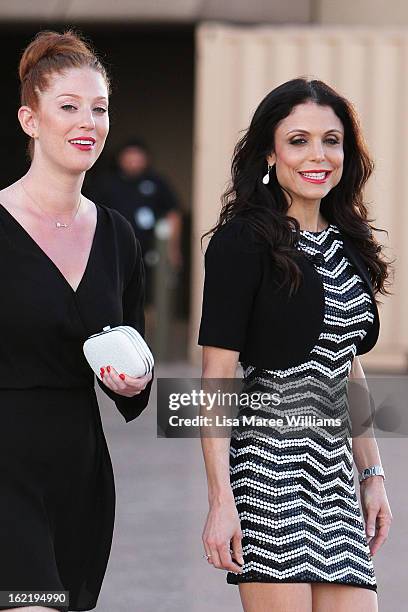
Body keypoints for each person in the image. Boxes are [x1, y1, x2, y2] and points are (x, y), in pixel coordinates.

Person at [198, 78, 393, 612]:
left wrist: (372, 475)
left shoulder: (349, 240)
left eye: (332, 140)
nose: (318, 155)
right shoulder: (243, 241)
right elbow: (217, 375)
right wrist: (222, 500)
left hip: (335, 480)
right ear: (270, 151)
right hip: (268, 474)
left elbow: (345, 365)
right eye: (299, 140)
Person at [0, 30, 153, 612]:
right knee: (29, 601)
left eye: (99, 108)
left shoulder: (117, 235)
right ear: (30, 119)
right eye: (68, 106)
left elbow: (134, 363)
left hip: (79, 474)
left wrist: (134, 381)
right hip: (5, 469)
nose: (88, 121)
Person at [86, 138, 183, 305]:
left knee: (148, 293)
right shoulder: (106, 183)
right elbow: (90, 214)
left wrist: (172, 247)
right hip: (113, 247)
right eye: (129, 156)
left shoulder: (156, 182)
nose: (134, 161)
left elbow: (173, 212)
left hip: (150, 249)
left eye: (138, 156)